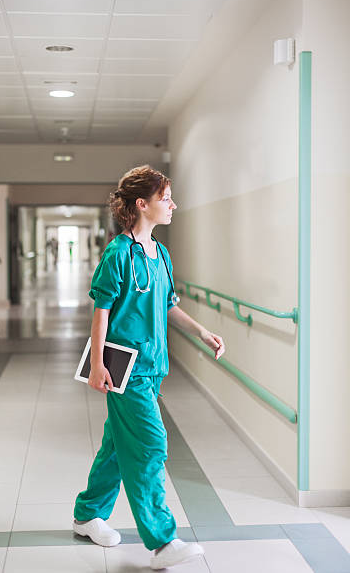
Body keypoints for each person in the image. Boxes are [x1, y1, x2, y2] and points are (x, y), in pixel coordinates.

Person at [73, 165, 225, 570]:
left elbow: (168, 306)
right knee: (150, 445)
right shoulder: (118, 253)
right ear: (143, 204)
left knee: (116, 448)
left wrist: (203, 332)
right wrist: (97, 365)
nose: (173, 204)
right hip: (126, 370)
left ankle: (88, 513)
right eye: (166, 198)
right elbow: (101, 311)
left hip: (153, 367)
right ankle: (162, 541)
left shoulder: (161, 254)